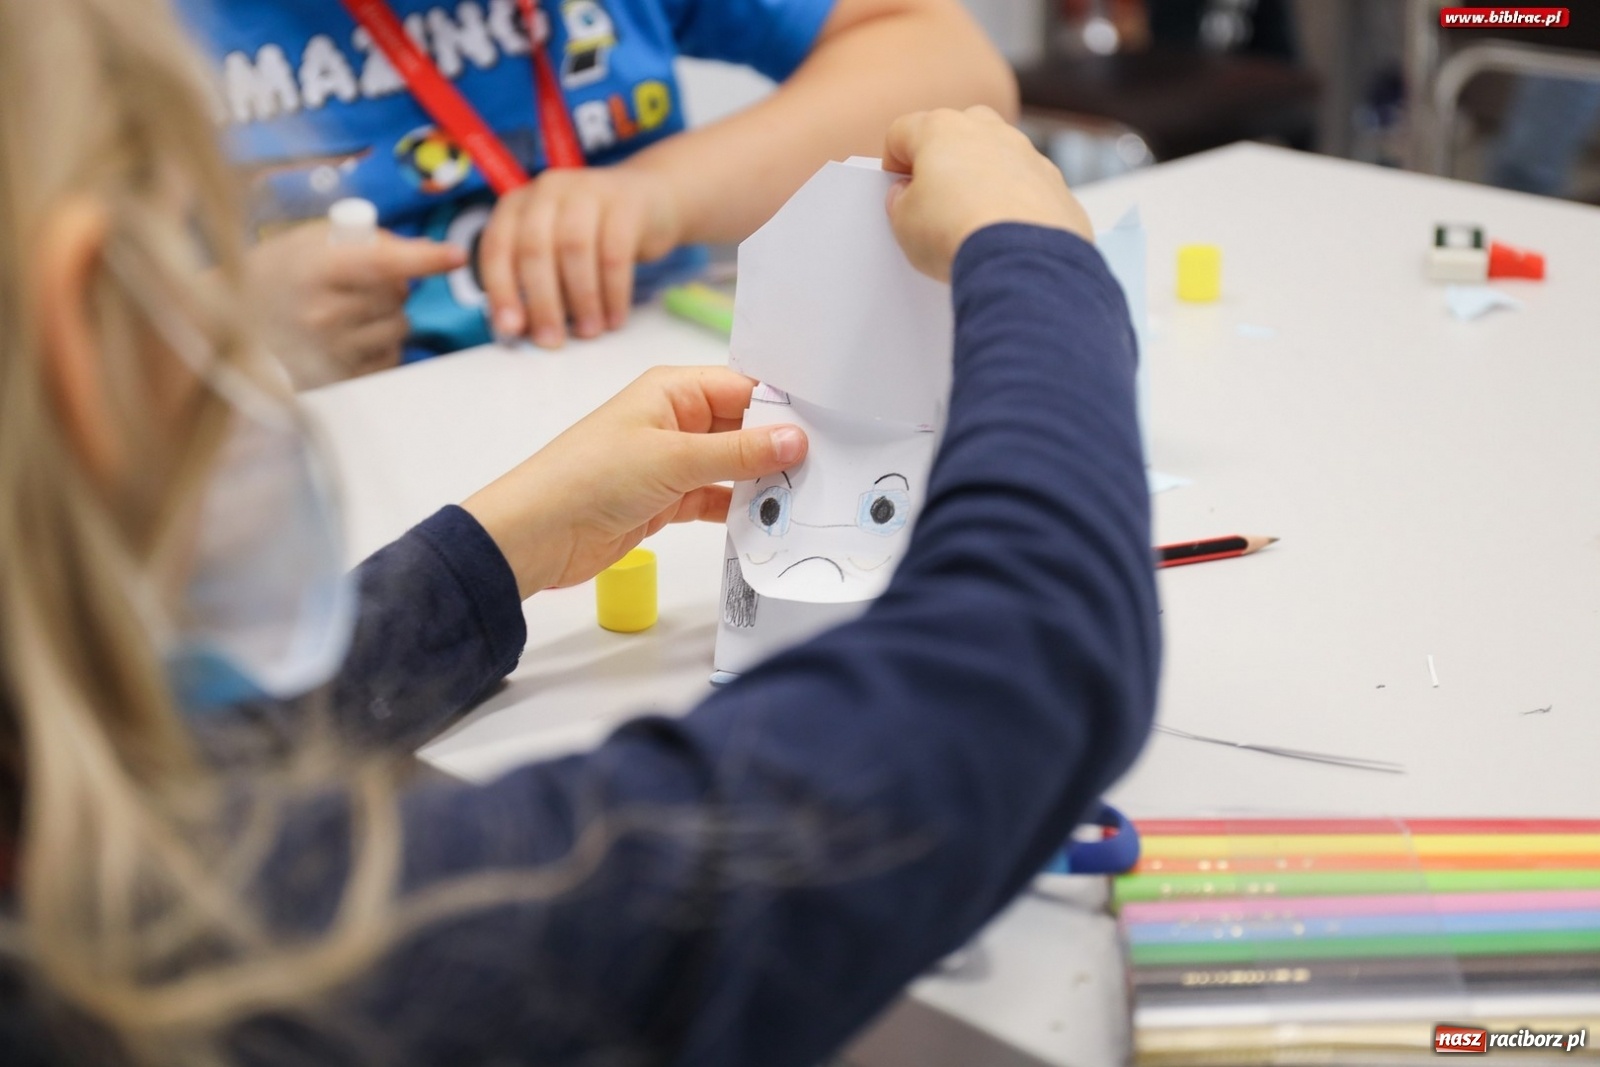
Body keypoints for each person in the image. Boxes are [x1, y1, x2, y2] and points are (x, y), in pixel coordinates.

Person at [0, 0, 1158, 1063]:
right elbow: (1012, 674)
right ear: (79, 317)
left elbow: (183, 761)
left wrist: (488, 554)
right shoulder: (262, 956)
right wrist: (1037, 265)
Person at [175, 0, 1017, 382]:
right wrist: (209, 325)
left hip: (639, 414)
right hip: (319, 470)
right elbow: (44, 339)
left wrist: (660, 193)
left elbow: (949, 64)